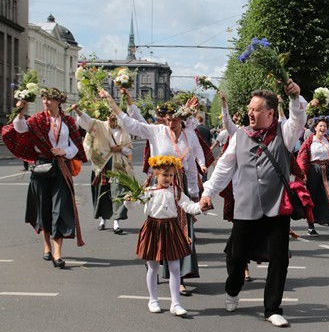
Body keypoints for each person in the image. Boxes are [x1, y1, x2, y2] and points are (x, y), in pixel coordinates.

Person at [200, 81, 306, 328]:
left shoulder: (284, 132)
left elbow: (298, 118)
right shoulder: (240, 135)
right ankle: (232, 289)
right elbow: (224, 167)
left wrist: (295, 97)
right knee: (237, 257)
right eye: (250, 108)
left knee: (279, 259)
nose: (250, 113)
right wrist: (208, 193)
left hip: (277, 206)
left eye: (256, 109)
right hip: (245, 206)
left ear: (270, 113)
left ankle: (272, 308)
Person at [101, 89, 207, 296]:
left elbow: (192, 164)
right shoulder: (157, 131)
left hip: (180, 183)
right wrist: (113, 102)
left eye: (174, 120)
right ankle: (154, 263)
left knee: (182, 229)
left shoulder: (190, 135)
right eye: (167, 119)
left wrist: (194, 189)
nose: (169, 123)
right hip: (159, 182)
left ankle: (181, 276)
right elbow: (132, 123)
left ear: (182, 118)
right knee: (158, 224)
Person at [2, 88, 87, 267]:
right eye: (44, 99)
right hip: (41, 166)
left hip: (61, 166)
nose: (46, 102)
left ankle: (57, 253)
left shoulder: (68, 121)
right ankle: (47, 246)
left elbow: (75, 147)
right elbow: (19, 128)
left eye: (50, 99)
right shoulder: (37, 119)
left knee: (60, 208)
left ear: (58, 102)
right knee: (44, 209)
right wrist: (21, 110)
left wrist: (64, 151)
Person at [125, 155, 205, 316]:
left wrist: (201, 206)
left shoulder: (176, 191)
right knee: (153, 266)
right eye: (165, 175)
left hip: (171, 228)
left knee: (175, 267)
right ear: (155, 174)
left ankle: (175, 303)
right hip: (153, 228)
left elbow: (188, 206)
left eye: (171, 175)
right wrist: (128, 200)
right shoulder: (148, 191)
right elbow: (132, 205)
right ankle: (153, 300)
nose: (168, 178)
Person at [71, 105, 133, 234]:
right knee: (101, 191)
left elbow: (129, 148)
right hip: (102, 165)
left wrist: (120, 149)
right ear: (106, 117)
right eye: (110, 118)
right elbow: (87, 121)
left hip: (118, 165)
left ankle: (117, 221)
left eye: (115, 118)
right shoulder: (99, 126)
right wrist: (77, 110)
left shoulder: (124, 131)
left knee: (118, 192)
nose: (112, 120)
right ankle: (103, 219)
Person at [297, 116, 329, 238]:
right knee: (313, 199)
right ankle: (311, 227)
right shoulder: (309, 141)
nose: (323, 128)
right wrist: (303, 174)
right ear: (315, 128)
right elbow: (302, 158)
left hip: (327, 170)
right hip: (313, 172)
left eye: (325, 126)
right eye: (320, 126)